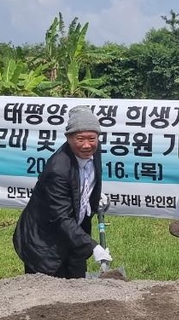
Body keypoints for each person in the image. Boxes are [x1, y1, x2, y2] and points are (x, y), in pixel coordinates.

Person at [13, 106, 112, 277]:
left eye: (92, 138)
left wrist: (93, 197)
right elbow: (60, 217)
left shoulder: (94, 150)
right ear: (68, 138)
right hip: (44, 241)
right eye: (80, 139)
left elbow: (89, 177)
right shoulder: (58, 170)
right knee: (48, 294)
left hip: (73, 234)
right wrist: (93, 246)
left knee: (77, 287)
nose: (87, 145)